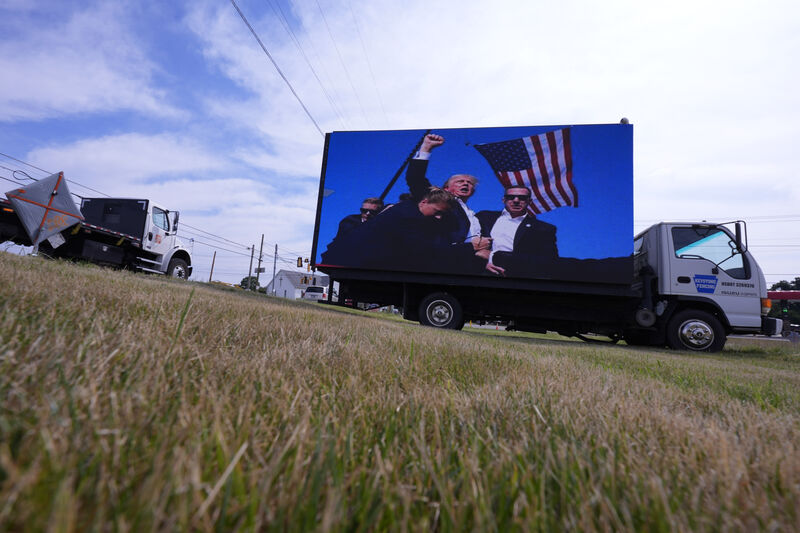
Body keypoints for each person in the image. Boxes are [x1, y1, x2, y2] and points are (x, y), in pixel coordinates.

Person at [321, 188, 471, 271]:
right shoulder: (409, 217)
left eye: (443, 214)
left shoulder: (409, 207)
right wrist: (470, 247)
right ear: (424, 201)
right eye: (437, 211)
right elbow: (427, 250)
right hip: (346, 263)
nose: (439, 218)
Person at [405, 133, 491, 266]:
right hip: (441, 262)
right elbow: (415, 179)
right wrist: (426, 149)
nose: (465, 184)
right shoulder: (439, 201)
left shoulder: (475, 216)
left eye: (469, 183)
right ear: (446, 187)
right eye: (460, 181)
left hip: (471, 265)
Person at [476, 185, 558, 276]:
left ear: (529, 201)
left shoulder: (543, 229)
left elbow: (549, 261)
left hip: (517, 277)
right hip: (480, 274)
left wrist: (493, 256)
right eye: (511, 197)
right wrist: (482, 264)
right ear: (504, 200)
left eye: (522, 198)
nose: (516, 200)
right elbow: (466, 240)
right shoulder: (484, 217)